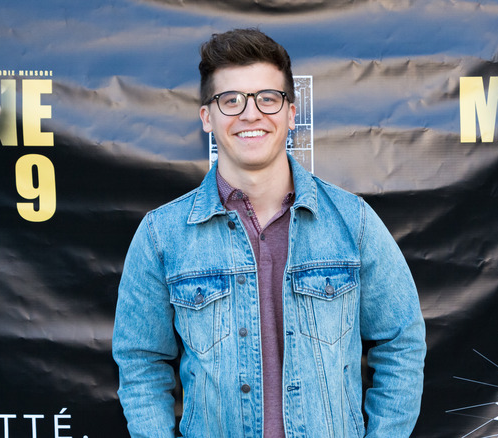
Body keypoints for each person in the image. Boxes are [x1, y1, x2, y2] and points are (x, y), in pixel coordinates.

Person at [113, 28, 426, 438]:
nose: (250, 114)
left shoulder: (354, 222)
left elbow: (401, 343)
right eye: (231, 100)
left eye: (267, 98)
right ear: (207, 117)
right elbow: (141, 364)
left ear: (291, 113)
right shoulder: (162, 235)